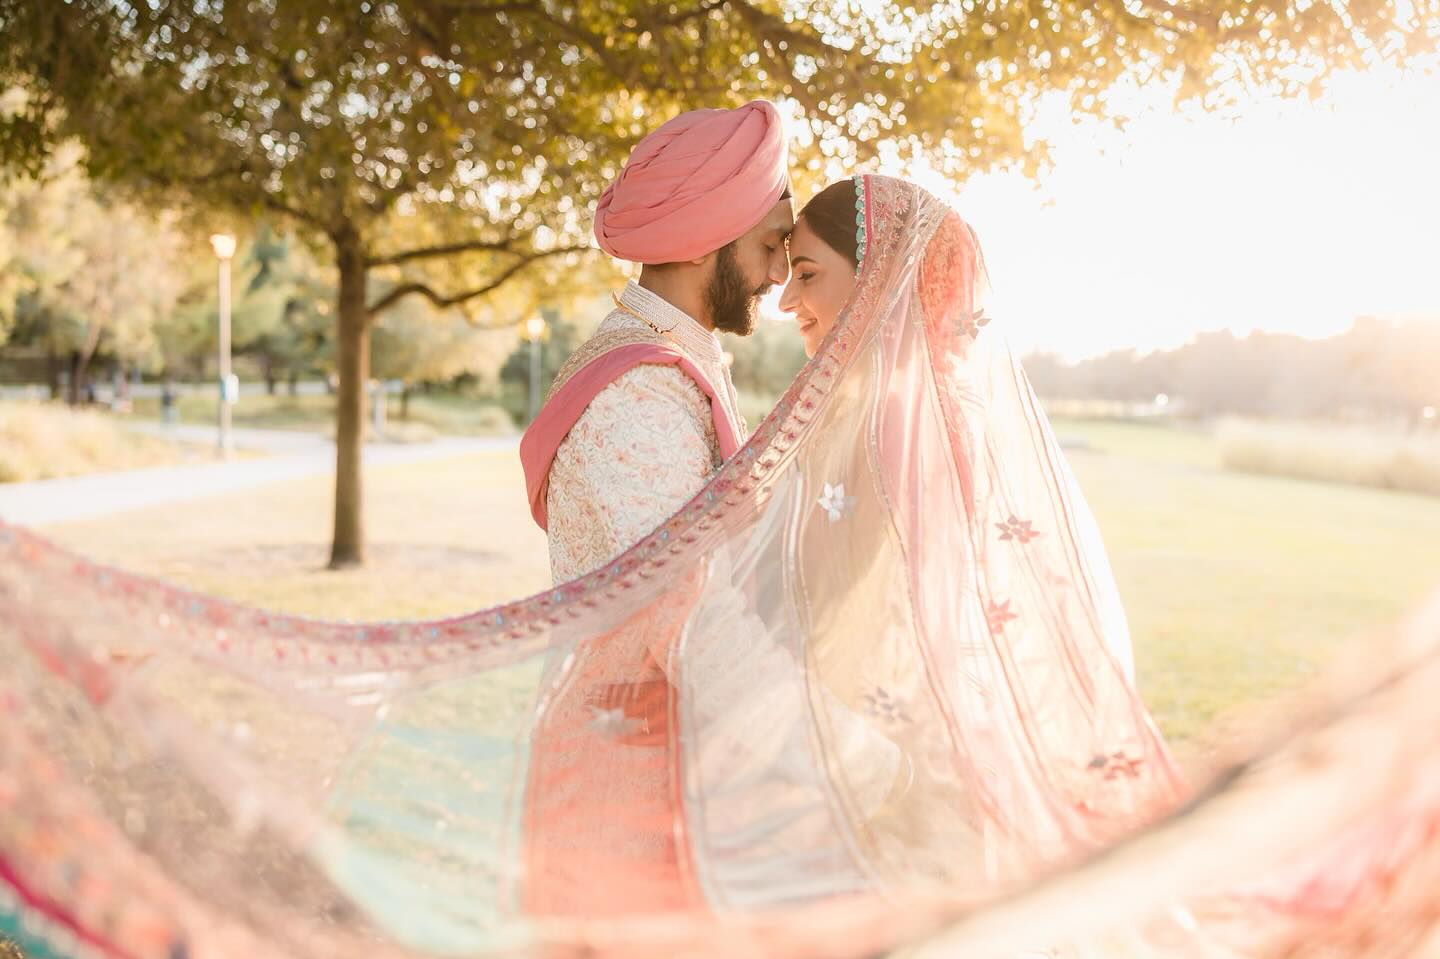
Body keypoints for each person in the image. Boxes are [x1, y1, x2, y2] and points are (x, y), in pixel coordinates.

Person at [520, 99, 794, 585]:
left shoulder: (673, 358)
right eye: (771, 246)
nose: (780, 274)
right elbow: (689, 613)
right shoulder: (638, 391)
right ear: (699, 242)